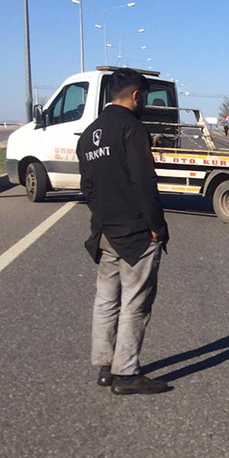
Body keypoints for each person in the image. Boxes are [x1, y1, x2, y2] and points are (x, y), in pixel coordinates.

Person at [76, 68, 172, 395]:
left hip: (104, 231)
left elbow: (86, 187)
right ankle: (127, 374)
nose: (143, 102)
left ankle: (104, 367)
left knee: (105, 300)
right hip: (135, 234)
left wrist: (104, 215)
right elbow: (144, 182)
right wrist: (156, 227)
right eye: (142, 97)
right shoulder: (132, 129)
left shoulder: (90, 133)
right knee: (135, 303)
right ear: (135, 96)